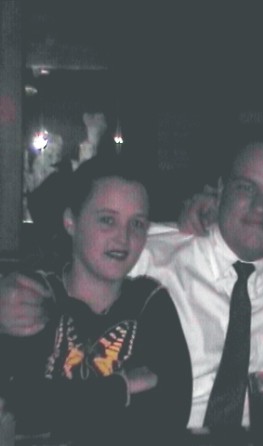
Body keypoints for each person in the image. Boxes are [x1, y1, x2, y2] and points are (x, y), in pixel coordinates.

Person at [0, 155, 192, 445]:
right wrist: (120, 388)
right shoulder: (33, 298)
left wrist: (58, 404)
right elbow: (20, 416)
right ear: (71, 221)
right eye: (107, 220)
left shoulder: (151, 302)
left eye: (137, 224)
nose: (123, 238)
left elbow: (170, 418)